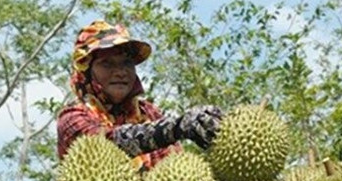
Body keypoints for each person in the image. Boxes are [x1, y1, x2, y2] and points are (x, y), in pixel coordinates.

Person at [57, 20, 223, 171]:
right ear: (86, 71)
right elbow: (103, 145)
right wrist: (176, 128)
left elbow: (175, 167)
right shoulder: (72, 118)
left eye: (126, 63)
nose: (121, 72)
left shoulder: (149, 113)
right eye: (107, 63)